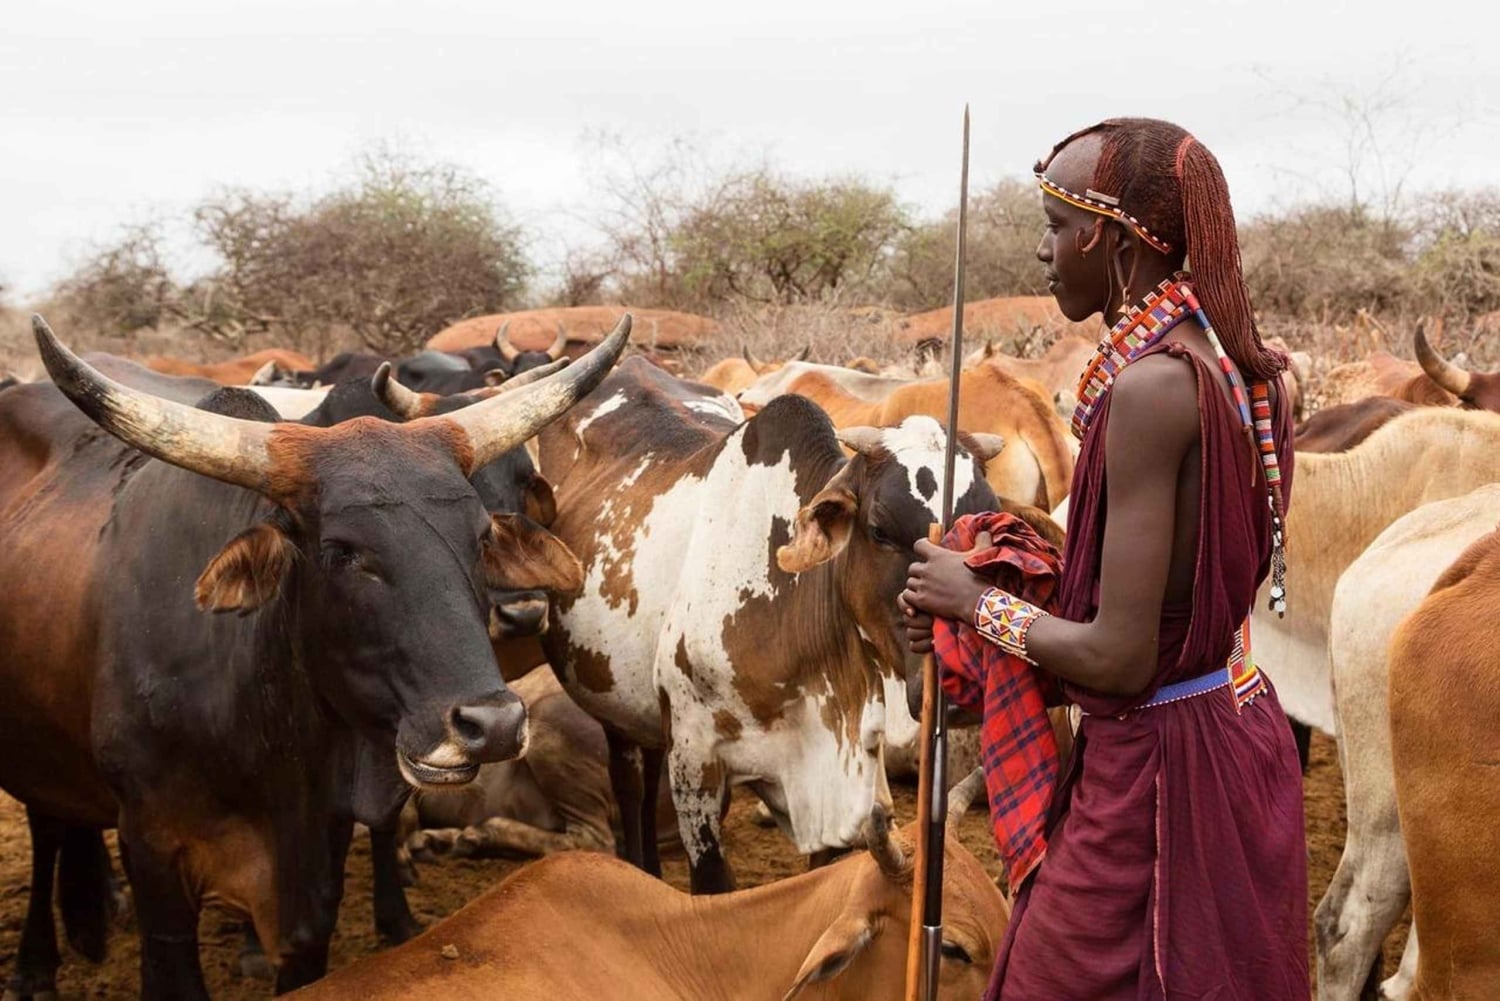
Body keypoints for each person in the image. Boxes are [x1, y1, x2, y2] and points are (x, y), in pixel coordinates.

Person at [900, 118, 1309, 1000]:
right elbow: (1182, 602)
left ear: (1112, 240)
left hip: (1159, 773)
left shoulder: (1153, 390)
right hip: (1238, 728)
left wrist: (975, 602)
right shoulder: (1253, 372)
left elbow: (1122, 658)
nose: (1043, 255)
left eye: (1055, 229)